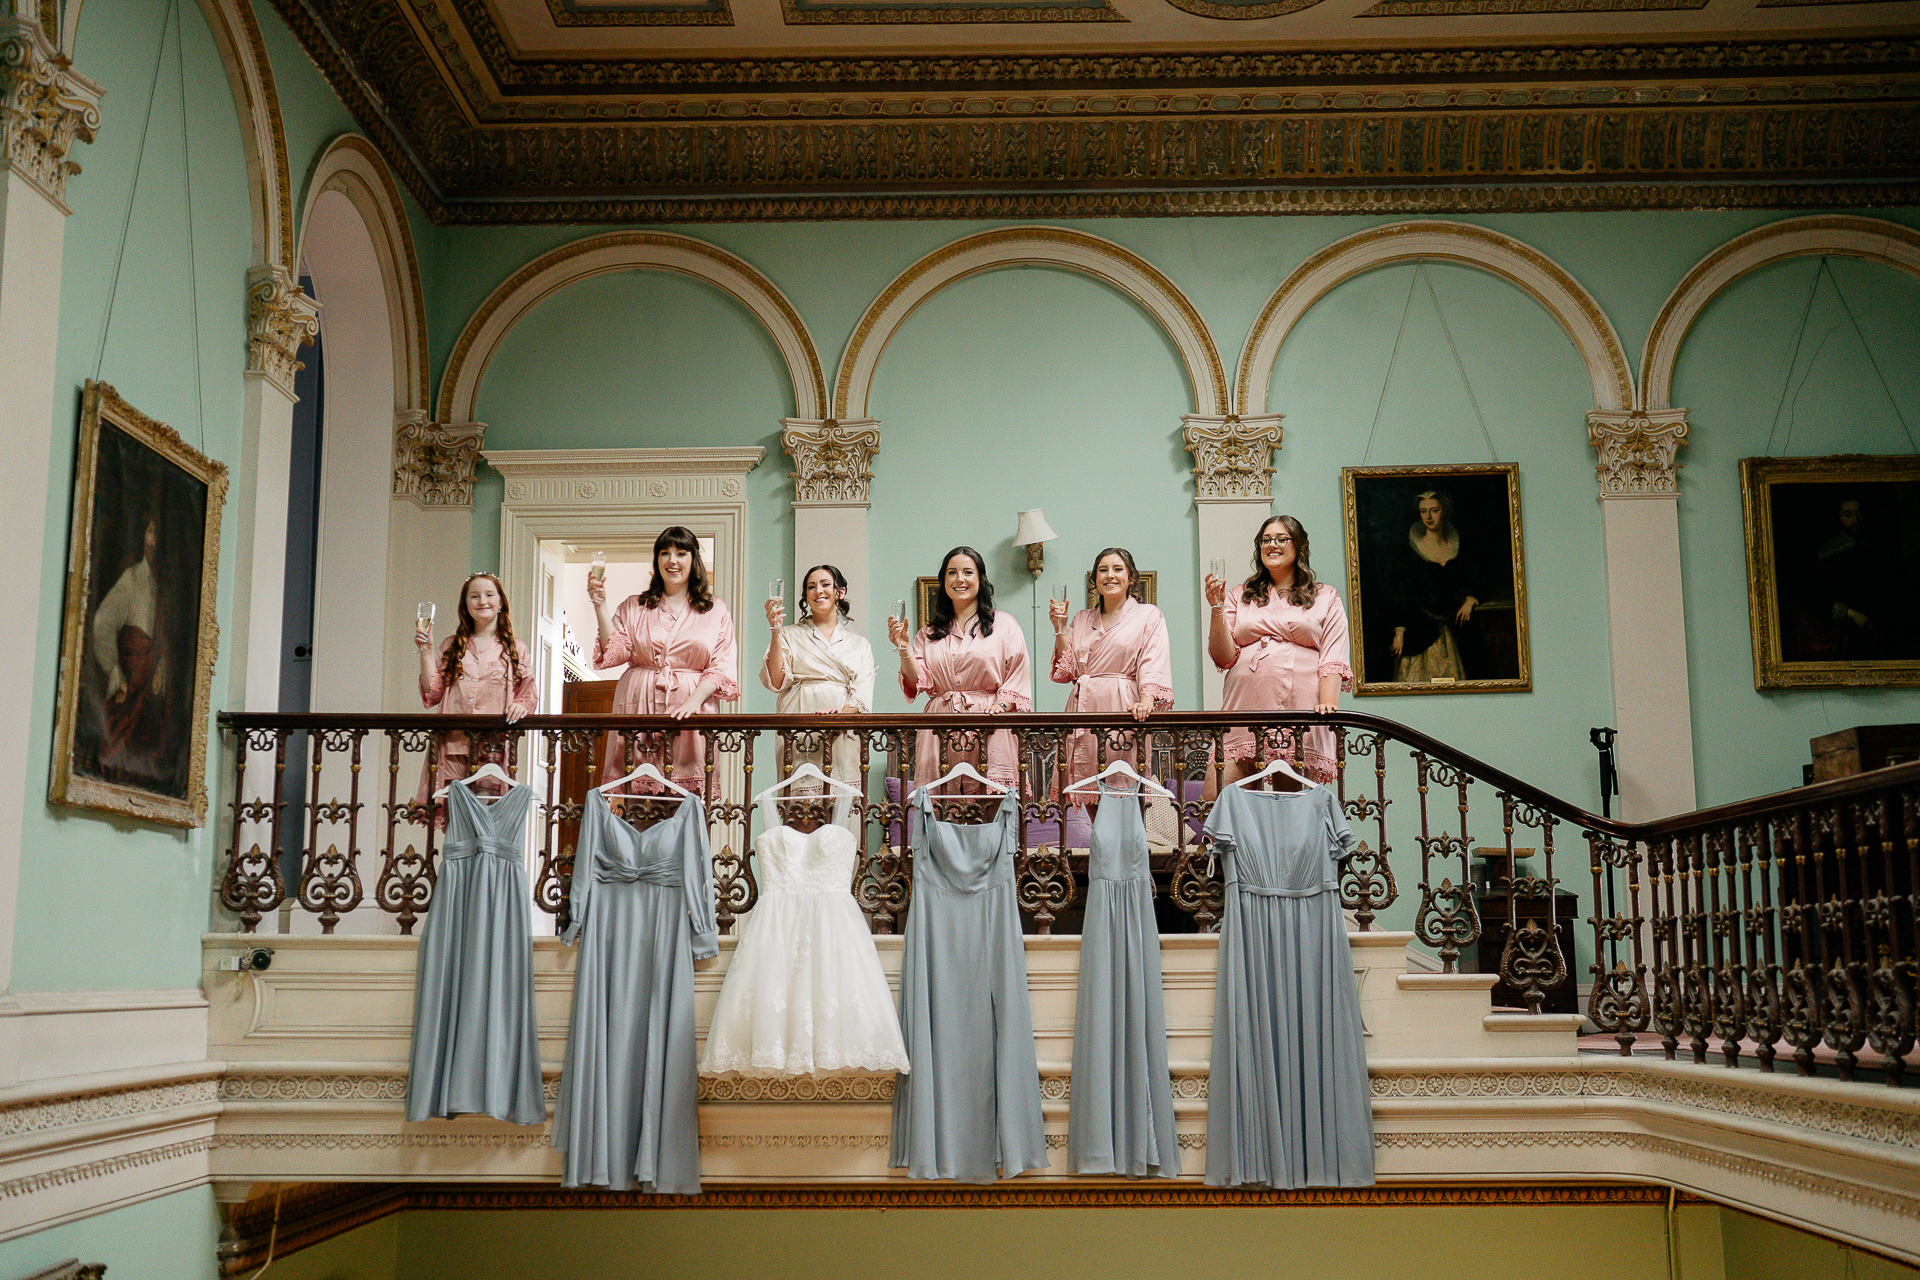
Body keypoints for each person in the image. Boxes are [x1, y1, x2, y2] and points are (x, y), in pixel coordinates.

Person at [589, 526, 738, 793]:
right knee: (637, 798)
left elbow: (722, 664)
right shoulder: (634, 606)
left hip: (691, 712)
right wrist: (600, 605)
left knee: (687, 800)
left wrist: (693, 701)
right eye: (665, 553)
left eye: (681, 553)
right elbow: (614, 652)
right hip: (638, 705)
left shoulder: (716, 609)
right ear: (656, 561)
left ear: (693, 560)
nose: (672, 560)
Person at [1204, 515, 1351, 786]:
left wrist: (1329, 704)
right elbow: (1224, 656)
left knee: (1289, 805)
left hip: (1300, 709)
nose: (1272, 545)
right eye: (1265, 540)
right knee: (1220, 796)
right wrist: (1217, 608)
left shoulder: (1325, 596)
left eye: (1281, 538)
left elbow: (1333, 654)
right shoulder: (1241, 594)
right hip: (1245, 707)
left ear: (1299, 546)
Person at [887, 546, 1031, 794]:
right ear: (944, 581)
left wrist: (1002, 705)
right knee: (940, 807)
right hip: (939, 726)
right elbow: (919, 681)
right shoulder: (928, 633)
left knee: (993, 804)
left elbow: (1018, 674)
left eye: (967, 572)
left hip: (990, 723)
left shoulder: (1005, 625)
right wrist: (904, 648)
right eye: (952, 573)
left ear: (980, 579)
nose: (960, 579)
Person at [412, 572, 537, 820]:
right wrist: (425, 653)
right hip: (452, 748)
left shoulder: (515, 648)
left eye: (489, 595)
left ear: (501, 602)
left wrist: (521, 706)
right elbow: (433, 692)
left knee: (487, 822)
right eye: (475, 596)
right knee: (456, 824)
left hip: (493, 748)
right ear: (466, 605)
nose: (482, 601)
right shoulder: (451, 646)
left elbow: (527, 695)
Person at [1049, 546, 1173, 794]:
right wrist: (1060, 629)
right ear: (1095, 579)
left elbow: (1152, 660)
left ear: (1131, 578)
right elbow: (1067, 672)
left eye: (1118, 569)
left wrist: (1146, 701)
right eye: (1102, 570)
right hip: (1083, 708)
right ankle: (1096, 835)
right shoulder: (1082, 618)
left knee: (1123, 785)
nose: (1110, 575)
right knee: (1085, 789)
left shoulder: (1148, 615)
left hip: (1123, 706)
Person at [761, 564, 877, 828]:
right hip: (799, 729)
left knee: (840, 821)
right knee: (800, 818)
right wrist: (776, 630)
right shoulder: (790, 634)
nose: (818, 591)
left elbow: (863, 690)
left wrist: (839, 718)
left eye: (825, 584)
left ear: (840, 591)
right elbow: (776, 680)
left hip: (842, 733)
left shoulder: (859, 644)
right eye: (811, 586)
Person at [90, 516, 171, 787]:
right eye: (150, 532)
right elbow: (103, 621)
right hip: (129, 687)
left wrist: (160, 666)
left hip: (149, 693)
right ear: (142, 536)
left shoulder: (163, 590)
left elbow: (161, 643)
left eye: (158, 534)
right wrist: (115, 671)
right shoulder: (132, 578)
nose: (154, 540)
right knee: (114, 755)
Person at [1390, 489, 1478, 684]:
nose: (1428, 517)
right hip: (1419, 630)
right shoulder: (1411, 550)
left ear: (1444, 511)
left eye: (1434, 510)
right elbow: (1400, 592)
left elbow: (1476, 579)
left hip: (1453, 627)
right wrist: (1399, 631)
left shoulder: (1457, 546)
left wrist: (1470, 600)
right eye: (1423, 511)